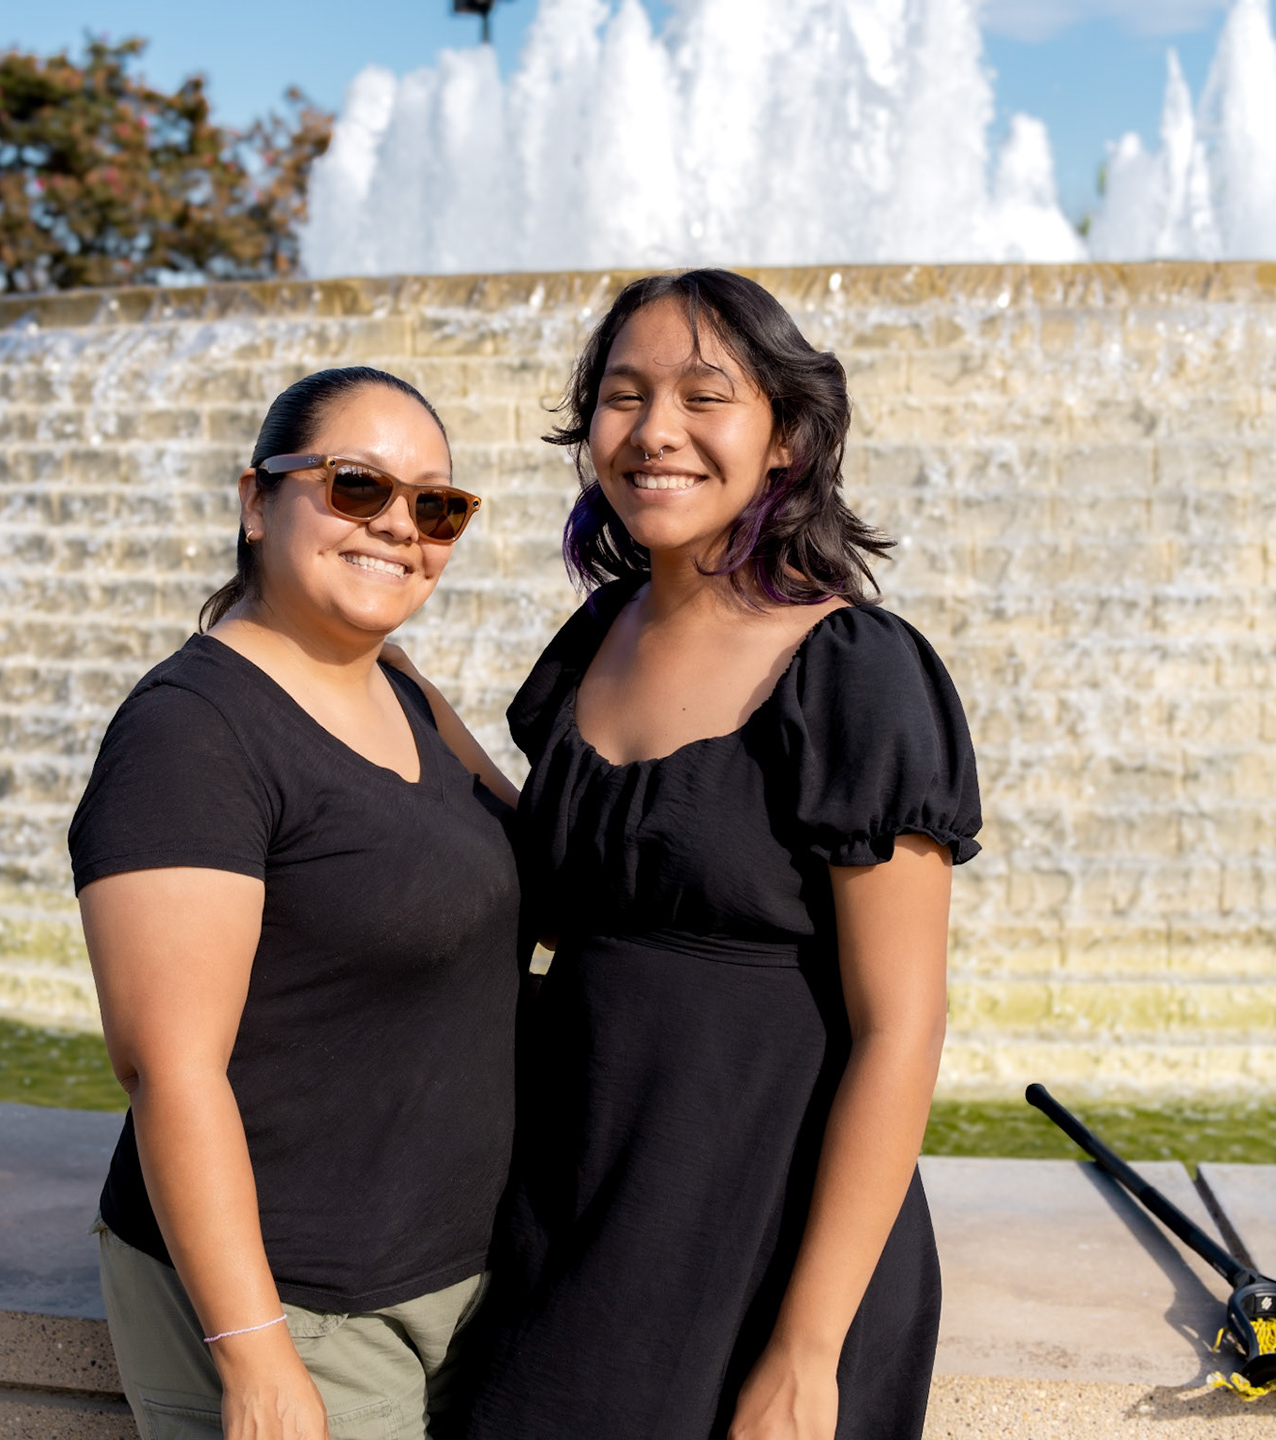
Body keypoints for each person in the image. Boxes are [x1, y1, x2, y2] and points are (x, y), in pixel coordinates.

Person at [458, 270, 982, 1440]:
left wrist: (806, 1351)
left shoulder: (855, 671)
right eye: (623, 396)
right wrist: (374, 689)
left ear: (785, 438)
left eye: (705, 397)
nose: (656, 432)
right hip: (576, 1200)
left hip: (760, 1236)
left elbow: (902, 1030)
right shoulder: (597, 637)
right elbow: (565, 874)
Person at [69, 366, 523, 1440]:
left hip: (454, 1278)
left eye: (437, 505)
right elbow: (169, 1068)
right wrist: (256, 1355)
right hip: (299, 1305)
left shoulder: (400, 686)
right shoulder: (189, 734)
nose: (400, 525)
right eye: (357, 486)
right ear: (255, 500)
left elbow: (549, 878)